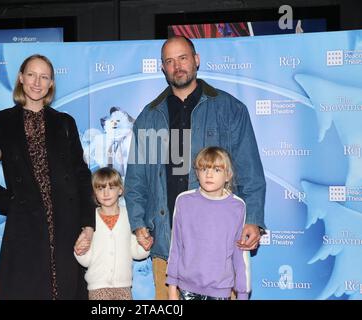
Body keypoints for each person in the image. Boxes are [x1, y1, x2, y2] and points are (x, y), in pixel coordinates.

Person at [124, 35, 266, 299]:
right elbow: (136, 180)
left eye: (183, 58)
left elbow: (249, 169)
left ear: (196, 60)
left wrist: (254, 219)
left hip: (220, 250)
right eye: (169, 61)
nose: (177, 66)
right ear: (163, 68)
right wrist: (139, 222)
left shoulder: (229, 109)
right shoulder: (149, 117)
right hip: (168, 248)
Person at [0, 54, 96, 300]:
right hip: (25, 228)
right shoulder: (0, 122)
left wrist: (88, 224)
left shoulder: (64, 123)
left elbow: (82, 176)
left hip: (66, 226)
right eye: (31, 75)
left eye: (44, 77)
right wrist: (12, 203)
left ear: (51, 83)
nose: (37, 82)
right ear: (21, 78)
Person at [167, 146, 250, 300]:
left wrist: (242, 294)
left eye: (216, 170)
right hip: (186, 289)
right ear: (197, 173)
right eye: (204, 169)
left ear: (228, 175)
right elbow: (176, 247)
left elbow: (240, 254)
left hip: (220, 291)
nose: (209, 174)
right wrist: (172, 288)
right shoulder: (184, 201)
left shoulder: (237, 207)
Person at [74, 167, 150, 300]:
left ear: (120, 189)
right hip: (98, 288)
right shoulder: (89, 220)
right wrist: (80, 251)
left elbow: (136, 252)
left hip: (124, 287)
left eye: (111, 187)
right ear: (94, 193)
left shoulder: (130, 216)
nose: (106, 193)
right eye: (100, 188)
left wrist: (144, 245)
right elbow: (86, 261)